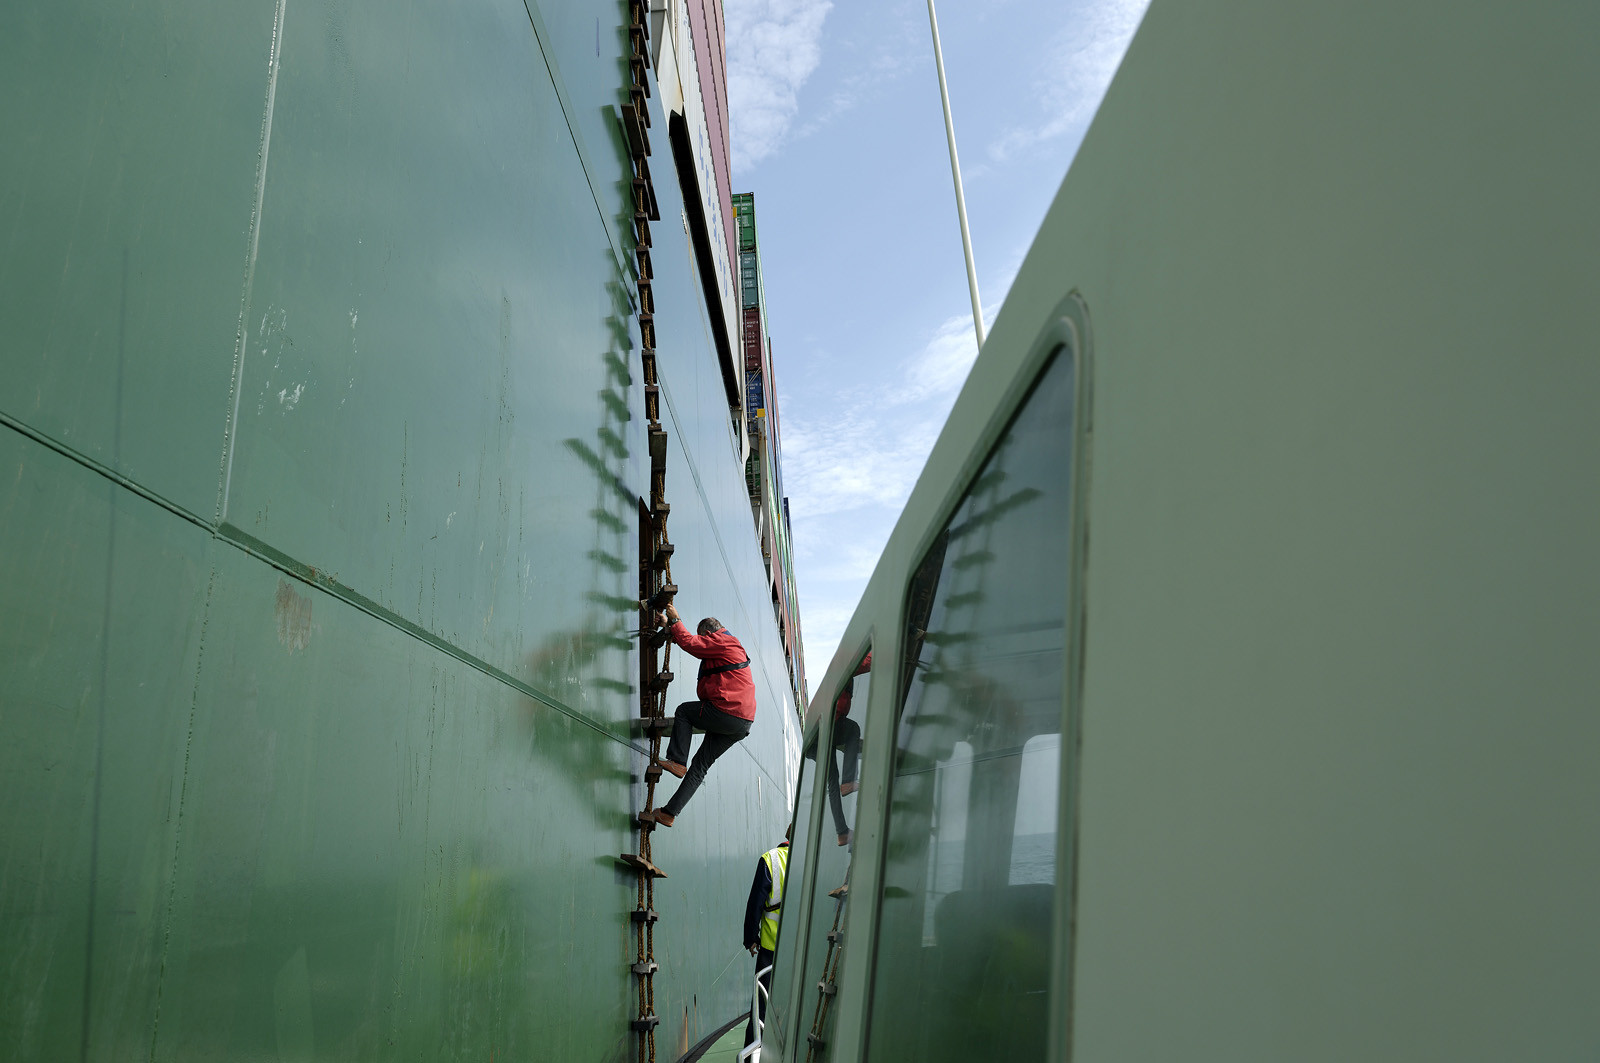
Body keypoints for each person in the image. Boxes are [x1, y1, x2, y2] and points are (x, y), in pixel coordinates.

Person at [639, 602, 756, 827]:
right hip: (741, 723)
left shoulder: (723, 641)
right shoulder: (725, 645)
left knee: (684, 711)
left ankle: (676, 760)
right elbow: (693, 642)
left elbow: (693, 644)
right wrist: (670, 626)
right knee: (700, 767)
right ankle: (668, 813)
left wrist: (675, 619)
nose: (703, 640)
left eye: (704, 637)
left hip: (726, 711)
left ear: (710, 633)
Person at [743, 827, 791, 1049]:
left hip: (770, 950)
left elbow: (755, 904)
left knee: (760, 1009)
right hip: (802, 950)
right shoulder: (814, 861)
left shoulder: (770, 859)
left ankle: (753, 1053)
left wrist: (751, 938)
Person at [824, 652, 871, 845]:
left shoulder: (837, 671)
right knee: (852, 728)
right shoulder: (844, 665)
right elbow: (867, 662)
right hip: (829, 726)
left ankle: (842, 832)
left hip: (821, 735)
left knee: (832, 783)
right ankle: (849, 780)